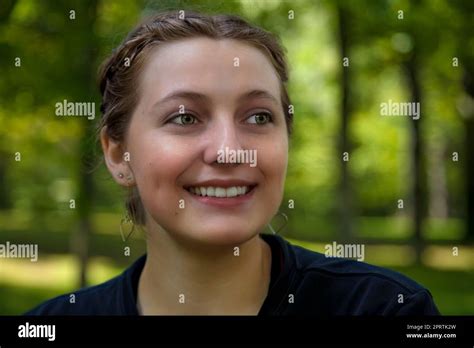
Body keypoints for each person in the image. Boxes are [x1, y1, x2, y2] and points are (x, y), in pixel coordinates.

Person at [26, 10, 439, 316]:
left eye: (258, 117)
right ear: (119, 155)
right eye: (185, 118)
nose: (229, 150)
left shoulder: (386, 310)